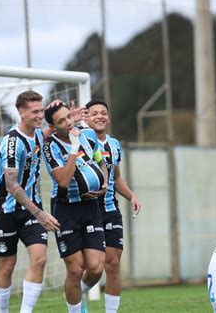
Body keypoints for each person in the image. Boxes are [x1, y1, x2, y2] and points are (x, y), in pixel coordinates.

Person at [0, 90, 60, 313]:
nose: (40, 115)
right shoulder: (12, 142)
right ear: (21, 112)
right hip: (6, 210)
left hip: (31, 210)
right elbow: (11, 185)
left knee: (39, 260)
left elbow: (48, 131)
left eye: (42, 110)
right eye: (35, 111)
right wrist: (40, 214)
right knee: (7, 266)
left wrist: (66, 115)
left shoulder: (38, 134)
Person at [42, 102, 108, 313]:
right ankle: (75, 309)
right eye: (61, 120)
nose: (68, 122)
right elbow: (63, 180)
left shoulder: (87, 135)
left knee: (96, 267)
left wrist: (104, 183)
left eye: (69, 116)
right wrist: (73, 147)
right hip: (66, 210)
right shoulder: (50, 146)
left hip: (90, 207)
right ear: (53, 126)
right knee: (76, 268)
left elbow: (101, 160)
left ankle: (75, 293)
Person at [77, 99, 141, 313]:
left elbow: (117, 177)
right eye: (93, 113)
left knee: (113, 265)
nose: (99, 116)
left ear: (109, 117)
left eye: (103, 112)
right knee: (92, 267)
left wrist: (131, 196)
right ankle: (79, 292)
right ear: (86, 117)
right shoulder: (78, 140)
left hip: (111, 210)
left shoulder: (114, 144)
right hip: (86, 210)